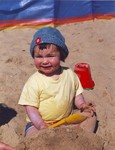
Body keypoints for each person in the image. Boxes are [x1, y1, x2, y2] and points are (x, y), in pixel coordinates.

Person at [18, 26, 97, 137]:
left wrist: (82, 105)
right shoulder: (34, 82)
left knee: (91, 116)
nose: (45, 61)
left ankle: (80, 139)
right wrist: (41, 125)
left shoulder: (69, 74)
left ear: (61, 55)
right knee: (33, 136)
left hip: (66, 121)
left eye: (50, 56)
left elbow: (76, 95)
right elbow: (31, 109)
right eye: (39, 57)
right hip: (39, 124)